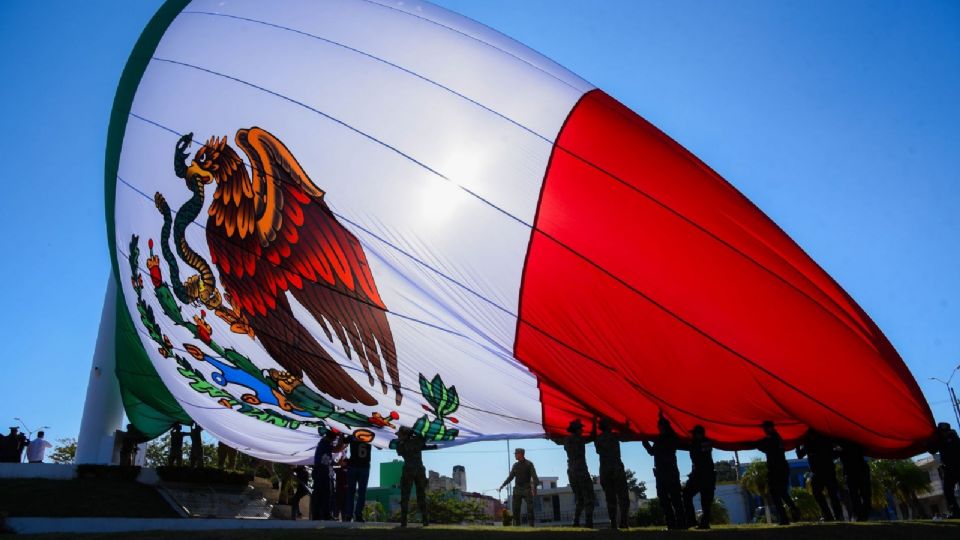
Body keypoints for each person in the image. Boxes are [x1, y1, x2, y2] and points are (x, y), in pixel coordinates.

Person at [642, 415, 685, 529]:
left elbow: (654, 452)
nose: (658, 428)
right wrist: (645, 443)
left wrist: (647, 444)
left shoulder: (669, 438)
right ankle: (673, 523)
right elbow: (652, 452)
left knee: (674, 498)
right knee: (665, 498)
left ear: (663, 426)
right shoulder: (663, 438)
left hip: (668, 472)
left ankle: (679, 523)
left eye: (659, 426)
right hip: (663, 472)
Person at [755, 421, 798, 525]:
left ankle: (786, 517)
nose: (764, 430)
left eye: (766, 428)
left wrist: (755, 442)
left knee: (776, 494)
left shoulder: (773, 438)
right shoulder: (775, 438)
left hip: (777, 469)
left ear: (771, 428)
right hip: (779, 468)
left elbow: (762, 446)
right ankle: (792, 511)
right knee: (781, 493)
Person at [553, 419, 594, 527]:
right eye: (580, 428)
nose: (582, 429)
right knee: (589, 497)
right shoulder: (580, 439)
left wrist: (548, 434)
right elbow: (593, 436)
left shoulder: (566, 439)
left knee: (580, 498)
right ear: (576, 429)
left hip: (571, 472)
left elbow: (556, 440)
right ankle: (588, 523)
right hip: (581, 470)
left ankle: (575, 522)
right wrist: (594, 422)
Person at [796, 429, 843, 521]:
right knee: (819, 493)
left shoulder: (824, 441)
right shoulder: (809, 443)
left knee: (831, 494)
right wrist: (797, 445)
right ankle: (830, 515)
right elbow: (800, 455)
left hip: (827, 471)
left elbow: (835, 453)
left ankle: (836, 516)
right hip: (819, 472)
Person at [396, 426, 436, 527]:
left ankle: (404, 521)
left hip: (408, 470)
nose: (398, 437)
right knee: (421, 495)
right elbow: (424, 437)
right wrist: (414, 432)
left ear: (404, 435)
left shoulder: (401, 445)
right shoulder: (417, 440)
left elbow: (400, 451)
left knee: (405, 496)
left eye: (400, 434)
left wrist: (410, 434)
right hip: (419, 470)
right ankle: (425, 520)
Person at [593, 417, 630, 530]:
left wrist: (594, 423)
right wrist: (626, 423)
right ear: (608, 426)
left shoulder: (598, 439)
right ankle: (623, 522)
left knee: (610, 499)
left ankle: (613, 523)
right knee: (623, 497)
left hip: (605, 471)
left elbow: (594, 438)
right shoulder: (614, 436)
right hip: (616, 469)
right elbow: (625, 432)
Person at [682, 425, 715, 529]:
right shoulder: (696, 443)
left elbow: (701, 455)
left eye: (694, 434)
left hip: (705, 475)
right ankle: (692, 520)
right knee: (687, 495)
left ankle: (704, 523)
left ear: (699, 434)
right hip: (699, 475)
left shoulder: (705, 443)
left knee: (705, 500)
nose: (692, 436)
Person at [499, 447, 539, 526]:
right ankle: (517, 526)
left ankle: (531, 525)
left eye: (516, 454)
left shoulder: (529, 464)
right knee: (516, 509)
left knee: (530, 509)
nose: (515, 456)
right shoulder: (515, 465)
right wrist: (503, 485)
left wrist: (534, 488)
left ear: (521, 454)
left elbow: (534, 477)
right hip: (517, 489)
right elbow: (510, 477)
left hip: (527, 489)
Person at [929, 422, 960, 519]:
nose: (944, 433)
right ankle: (956, 512)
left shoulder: (954, 437)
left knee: (948, 491)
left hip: (958, 467)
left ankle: (956, 512)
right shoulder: (940, 439)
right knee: (948, 492)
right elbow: (932, 450)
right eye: (942, 432)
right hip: (949, 469)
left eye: (945, 431)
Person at [838, 440, 871, 521]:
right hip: (855, 473)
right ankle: (861, 515)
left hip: (857, 472)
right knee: (858, 495)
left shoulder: (845, 449)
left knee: (860, 495)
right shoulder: (843, 449)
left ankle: (862, 515)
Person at [345, 433, 373, 522]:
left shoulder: (353, 434)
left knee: (351, 492)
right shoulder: (370, 435)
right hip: (364, 466)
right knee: (362, 492)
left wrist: (342, 434)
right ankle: (358, 515)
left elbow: (344, 441)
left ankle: (349, 515)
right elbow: (380, 446)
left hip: (353, 465)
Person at [312, 431, 339, 520]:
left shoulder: (323, 443)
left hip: (321, 471)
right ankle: (324, 515)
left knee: (320, 493)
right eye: (334, 438)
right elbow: (337, 449)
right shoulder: (325, 443)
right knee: (324, 494)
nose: (334, 440)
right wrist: (343, 439)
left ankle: (318, 515)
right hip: (321, 471)